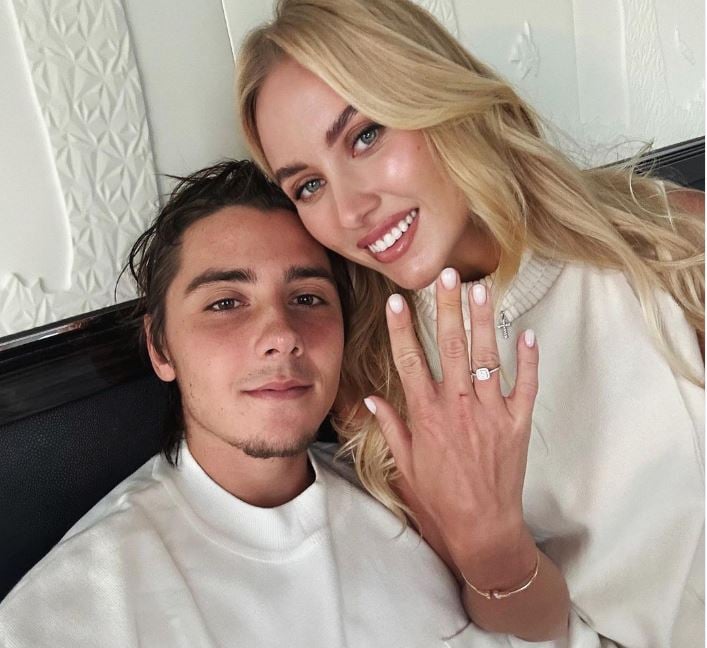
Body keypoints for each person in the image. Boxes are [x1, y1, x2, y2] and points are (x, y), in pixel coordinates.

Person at [236, 1, 705, 646]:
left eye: (366, 136)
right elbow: (543, 628)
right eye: (308, 186)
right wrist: (491, 545)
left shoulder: (665, 241)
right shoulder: (376, 380)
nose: (350, 210)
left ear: (435, 97)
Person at [0, 160, 564, 647]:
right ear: (160, 348)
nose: (281, 334)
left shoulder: (404, 494)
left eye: (307, 298)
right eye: (225, 303)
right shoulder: (79, 605)